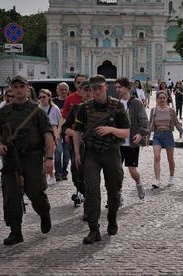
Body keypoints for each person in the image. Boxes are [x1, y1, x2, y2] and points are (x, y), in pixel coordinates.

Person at [0, 75, 54, 245]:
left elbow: (48, 135)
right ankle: (15, 231)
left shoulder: (37, 110)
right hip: (11, 159)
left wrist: (49, 158)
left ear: (27, 89)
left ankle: (44, 214)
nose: (18, 90)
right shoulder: (4, 111)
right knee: (11, 195)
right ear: (11, 89)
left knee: (36, 193)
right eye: (15, 87)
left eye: (21, 86)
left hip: (32, 158)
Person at [73, 75, 130, 243]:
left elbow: (126, 132)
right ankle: (93, 229)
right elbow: (76, 130)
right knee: (91, 191)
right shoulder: (85, 107)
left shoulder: (117, 106)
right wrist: (76, 153)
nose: (97, 91)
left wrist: (110, 129)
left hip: (111, 152)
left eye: (100, 88)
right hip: (92, 153)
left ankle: (112, 217)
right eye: (93, 88)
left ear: (106, 87)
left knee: (113, 190)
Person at [61, 80, 93, 213]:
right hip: (77, 148)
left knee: (91, 176)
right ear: (80, 92)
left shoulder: (101, 109)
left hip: (94, 149)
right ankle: (83, 192)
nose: (88, 93)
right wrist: (74, 133)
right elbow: (64, 128)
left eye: (90, 90)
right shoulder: (75, 109)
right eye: (85, 90)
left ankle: (89, 208)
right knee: (76, 173)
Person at [115, 77, 149, 200]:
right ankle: (118, 195)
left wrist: (140, 133)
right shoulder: (115, 103)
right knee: (116, 171)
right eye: (116, 87)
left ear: (128, 88)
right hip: (118, 143)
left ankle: (139, 184)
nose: (117, 90)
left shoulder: (136, 103)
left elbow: (144, 121)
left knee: (132, 170)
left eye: (120, 87)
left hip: (131, 143)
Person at [148, 91, 183, 189]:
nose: (162, 100)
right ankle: (157, 179)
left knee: (170, 158)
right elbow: (150, 124)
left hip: (168, 134)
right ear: (157, 99)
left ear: (167, 98)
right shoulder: (153, 110)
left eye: (164, 98)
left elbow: (176, 123)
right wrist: (146, 137)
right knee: (156, 157)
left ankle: (171, 177)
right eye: (160, 98)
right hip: (157, 135)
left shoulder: (171, 110)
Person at [39, 89, 61, 186]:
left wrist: (57, 136)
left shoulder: (55, 108)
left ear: (49, 97)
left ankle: (51, 175)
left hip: (52, 134)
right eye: (40, 97)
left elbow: (58, 123)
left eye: (44, 97)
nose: (42, 99)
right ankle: (46, 176)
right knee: (41, 156)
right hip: (40, 134)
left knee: (49, 155)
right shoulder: (37, 108)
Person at [53, 82, 70, 181]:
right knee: (58, 152)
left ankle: (64, 172)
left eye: (65, 90)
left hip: (67, 130)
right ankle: (58, 172)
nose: (63, 91)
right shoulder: (53, 102)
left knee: (67, 154)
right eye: (61, 89)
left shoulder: (69, 101)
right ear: (57, 90)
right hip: (57, 131)